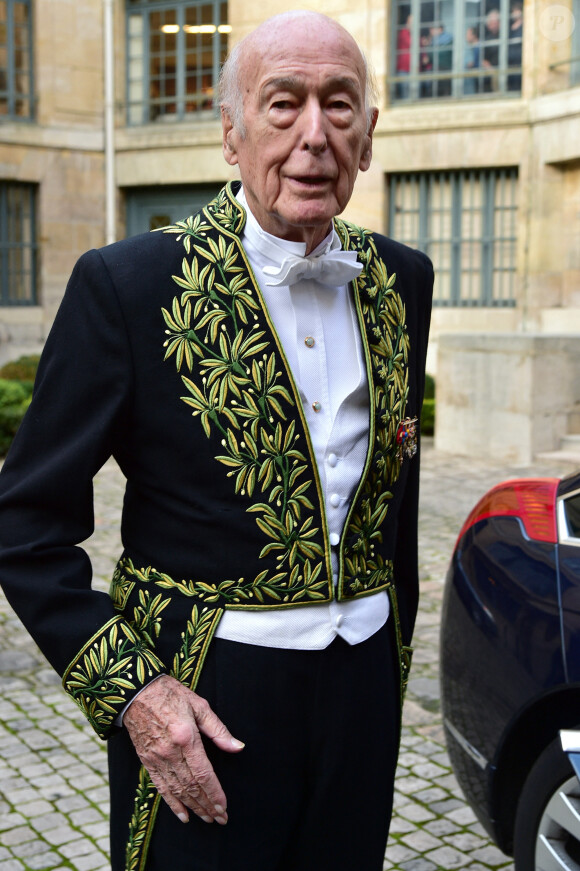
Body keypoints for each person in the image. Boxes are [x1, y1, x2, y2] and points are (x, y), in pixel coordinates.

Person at [0, 11, 433, 871]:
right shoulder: (127, 285)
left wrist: (390, 660)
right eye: (283, 104)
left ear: (369, 133)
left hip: (362, 699)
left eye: (340, 105)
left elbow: (398, 499)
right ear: (229, 134)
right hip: (203, 696)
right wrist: (133, 694)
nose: (314, 134)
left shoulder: (404, 279)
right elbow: (23, 523)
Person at [463, 26, 481, 95]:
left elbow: (472, 63)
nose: (466, 36)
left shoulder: (478, 47)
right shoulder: (471, 47)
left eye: (468, 34)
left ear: (474, 35)